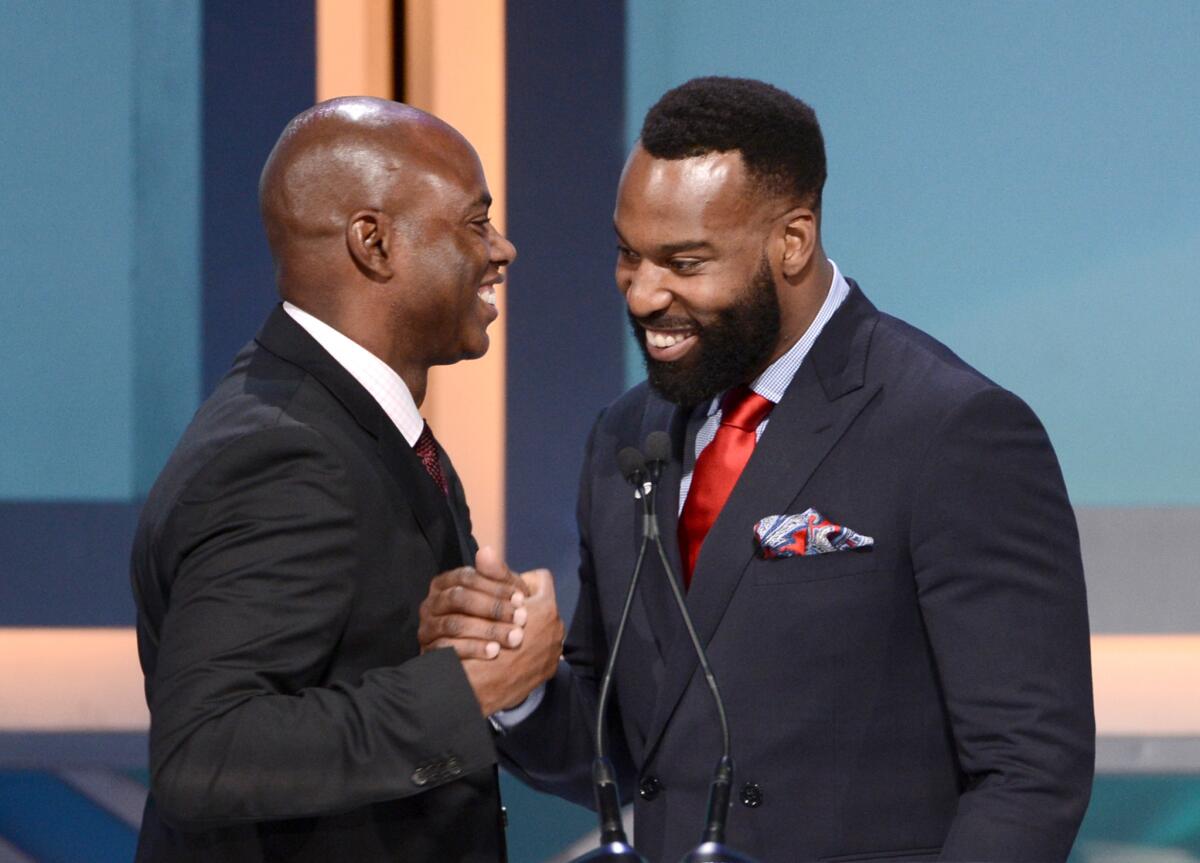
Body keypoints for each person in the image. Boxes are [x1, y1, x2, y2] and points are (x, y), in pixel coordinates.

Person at [420, 78, 1094, 862]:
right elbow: (636, 752)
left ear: (793, 241)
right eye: (627, 254)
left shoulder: (951, 431)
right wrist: (522, 688)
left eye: (685, 261)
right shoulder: (624, 436)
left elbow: (1029, 773)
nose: (643, 294)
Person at [130, 96, 562, 863]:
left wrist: (449, 643)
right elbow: (206, 752)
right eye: (474, 222)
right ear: (374, 242)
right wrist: (461, 694)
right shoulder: (283, 454)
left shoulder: (337, 421)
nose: (503, 250)